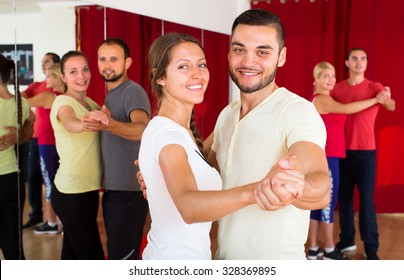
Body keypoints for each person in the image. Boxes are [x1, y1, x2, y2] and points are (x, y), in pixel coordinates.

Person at [138, 9, 331, 260]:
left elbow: (320, 187)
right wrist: (155, 174)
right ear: (229, 54)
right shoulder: (227, 115)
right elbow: (195, 166)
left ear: (281, 57)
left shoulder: (297, 111)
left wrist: (290, 186)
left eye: (262, 52)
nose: (248, 61)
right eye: (240, 50)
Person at [81, 38, 151, 260]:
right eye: (102, 59)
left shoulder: (133, 91)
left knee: (123, 259)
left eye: (114, 59)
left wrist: (108, 124)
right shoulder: (111, 94)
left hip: (129, 191)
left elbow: (142, 129)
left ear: (127, 63)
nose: (107, 64)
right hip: (115, 189)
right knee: (117, 255)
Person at [307, 61, 380, 260]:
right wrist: (375, 100)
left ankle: (313, 248)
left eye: (332, 76)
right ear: (316, 79)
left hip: (329, 155)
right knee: (327, 203)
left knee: (318, 204)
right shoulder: (322, 99)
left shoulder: (325, 98)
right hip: (328, 157)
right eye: (325, 76)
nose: (330, 79)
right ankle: (330, 250)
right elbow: (347, 109)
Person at [333, 48, 396, 260]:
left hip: (366, 153)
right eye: (355, 59)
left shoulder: (374, 87)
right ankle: (347, 241)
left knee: (367, 201)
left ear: (366, 63)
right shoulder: (338, 88)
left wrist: (385, 98)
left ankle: (371, 249)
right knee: (345, 200)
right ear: (347, 62)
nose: (359, 62)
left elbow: (391, 106)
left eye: (363, 59)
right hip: (342, 152)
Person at [50, 51, 104, 260]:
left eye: (85, 69)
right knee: (92, 258)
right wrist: (83, 124)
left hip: (89, 190)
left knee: (72, 256)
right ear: (63, 77)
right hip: (70, 192)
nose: (81, 76)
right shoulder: (63, 102)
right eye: (73, 72)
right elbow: (69, 121)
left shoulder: (91, 104)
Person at [0, 54, 35, 259]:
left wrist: (19, 135)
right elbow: (31, 124)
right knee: (13, 244)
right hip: (12, 180)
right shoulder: (20, 102)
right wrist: (20, 134)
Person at [22, 52, 60, 230]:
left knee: (51, 182)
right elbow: (22, 98)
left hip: (49, 143)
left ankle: (53, 222)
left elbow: (22, 102)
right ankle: (47, 219)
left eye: (47, 63)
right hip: (41, 141)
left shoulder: (51, 94)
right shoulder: (38, 86)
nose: (43, 66)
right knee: (41, 179)